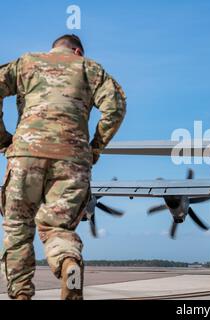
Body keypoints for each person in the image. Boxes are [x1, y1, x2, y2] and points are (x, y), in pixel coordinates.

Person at [0, 34, 126, 300]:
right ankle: (68, 262)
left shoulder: (26, 63)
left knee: (18, 226)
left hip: (26, 155)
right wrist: (95, 146)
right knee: (59, 228)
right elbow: (115, 107)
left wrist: (3, 138)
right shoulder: (90, 68)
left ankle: (21, 293)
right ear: (78, 51)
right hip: (73, 159)